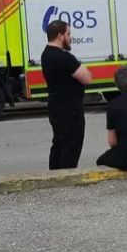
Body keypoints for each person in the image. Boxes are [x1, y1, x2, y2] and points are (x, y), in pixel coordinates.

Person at [41, 19, 92, 170]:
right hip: (70, 110)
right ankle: (67, 179)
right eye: (68, 34)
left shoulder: (46, 54)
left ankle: (55, 176)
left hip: (56, 107)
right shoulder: (63, 57)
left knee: (59, 143)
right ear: (60, 36)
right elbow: (87, 78)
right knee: (71, 145)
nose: (70, 37)